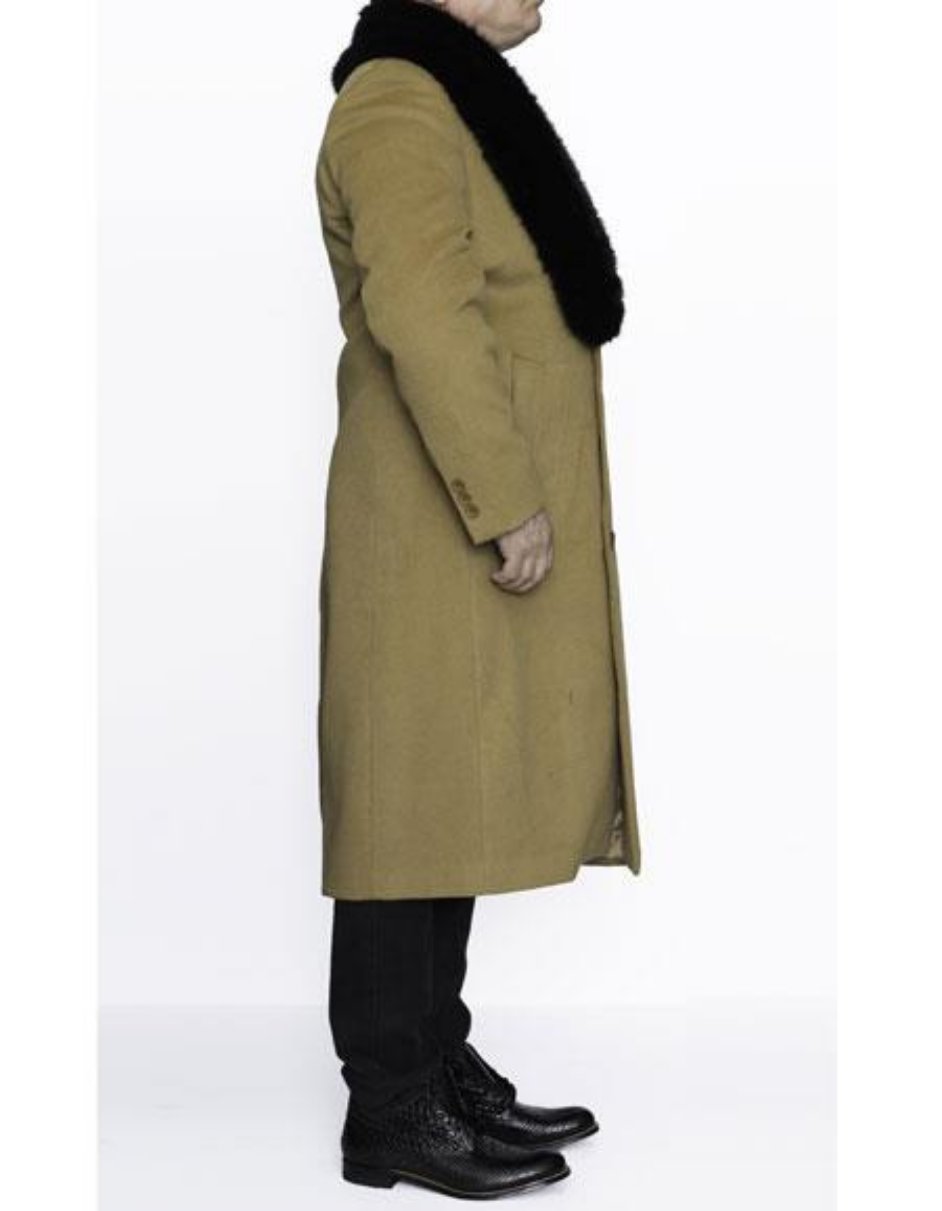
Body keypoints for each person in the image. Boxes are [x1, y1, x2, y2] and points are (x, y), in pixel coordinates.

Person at [314, 0, 642, 1197]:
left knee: (439, 794)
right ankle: (391, 1101)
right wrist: (504, 495)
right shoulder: (398, 101)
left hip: (443, 513)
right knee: (405, 803)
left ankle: (435, 1059)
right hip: (430, 513)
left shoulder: (443, 93)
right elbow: (422, 310)